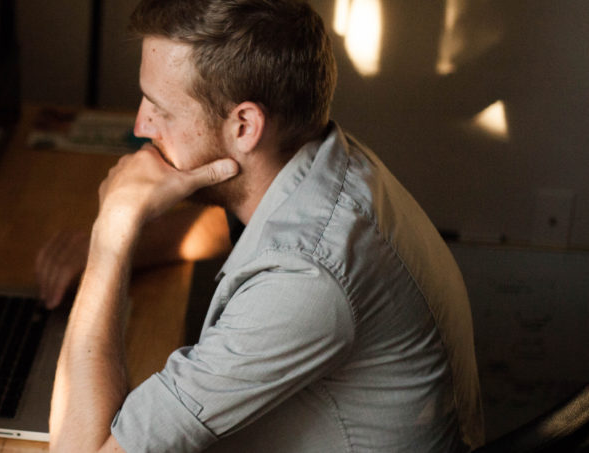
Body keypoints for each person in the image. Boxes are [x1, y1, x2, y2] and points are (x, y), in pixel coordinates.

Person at [44, 0, 485, 451]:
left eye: (161, 109)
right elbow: (223, 230)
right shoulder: (324, 165)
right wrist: (133, 244)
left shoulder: (303, 277)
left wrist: (111, 237)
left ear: (244, 126)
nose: (141, 126)